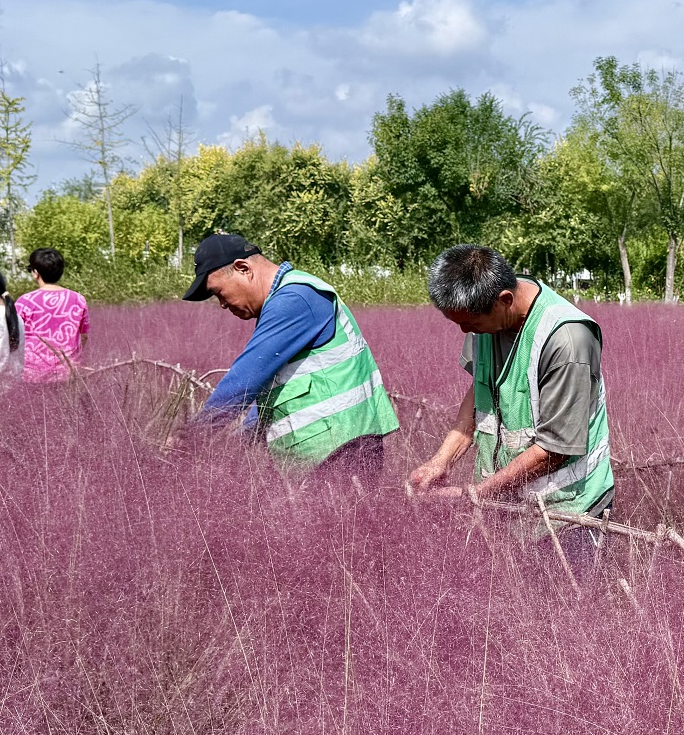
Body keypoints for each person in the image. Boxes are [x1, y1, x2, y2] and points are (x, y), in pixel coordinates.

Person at [410, 245, 615, 574]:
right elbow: (480, 388)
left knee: (560, 602)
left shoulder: (567, 340)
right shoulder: (483, 314)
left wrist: (474, 494)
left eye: (471, 323)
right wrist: (441, 461)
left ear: (505, 299)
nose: (465, 331)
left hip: (567, 512)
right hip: (508, 506)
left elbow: (555, 449)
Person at [185, 233, 398, 474]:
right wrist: (244, 438)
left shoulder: (295, 299)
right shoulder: (286, 300)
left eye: (218, 292)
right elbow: (274, 386)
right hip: (330, 451)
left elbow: (245, 379)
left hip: (341, 453)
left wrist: (191, 439)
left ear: (243, 268)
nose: (222, 304)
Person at [19, 247, 89, 383]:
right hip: (68, 375)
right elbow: (84, 336)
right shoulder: (78, 299)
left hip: (32, 376)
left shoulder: (25, 302)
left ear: (36, 273)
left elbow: (14, 338)